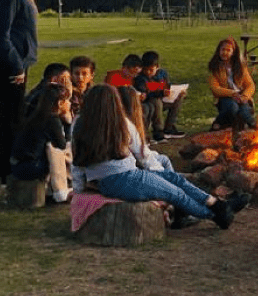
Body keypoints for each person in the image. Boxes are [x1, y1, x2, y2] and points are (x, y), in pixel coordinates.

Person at [71, 84, 248, 229]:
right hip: (127, 179)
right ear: (114, 103)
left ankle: (217, 204)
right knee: (176, 193)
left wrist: (78, 189)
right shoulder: (121, 122)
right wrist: (155, 174)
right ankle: (217, 215)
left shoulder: (79, 124)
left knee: (175, 179)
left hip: (113, 181)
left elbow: (76, 161)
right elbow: (142, 153)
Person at [0, 0, 39, 185]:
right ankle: (7, 172)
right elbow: (0, 36)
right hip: (10, 65)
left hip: (19, 63)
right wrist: (16, 65)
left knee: (16, 117)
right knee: (11, 119)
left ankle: (12, 169)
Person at [9, 82, 73, 203]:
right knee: (55, 152)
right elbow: (62, 145)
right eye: (66, 101)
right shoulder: (52, 120)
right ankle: (60, 191)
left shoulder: (36, 115)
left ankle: (54, 189)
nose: (69, 104)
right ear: (60, 103)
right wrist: (68, 123)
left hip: (16, 164)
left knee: (50, 148)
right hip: (31, 168)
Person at [117, 85, 175, 174]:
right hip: (134, 167)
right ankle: (172, 180)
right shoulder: (128, 125)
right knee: (164, 161)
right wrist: (163, 174)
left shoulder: (116, 121)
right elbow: (143, 157)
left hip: (132, 162)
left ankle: (173, 179)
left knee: (162, 159)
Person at [134, 50, 185, 142]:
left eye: (151, 70)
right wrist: (161, 93)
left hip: (163, 99)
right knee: (156, 102)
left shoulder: (162, 74)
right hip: (151, 102)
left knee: (178, 98)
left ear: (157, 67)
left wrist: (176, 91)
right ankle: (158, 131)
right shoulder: (141, 78)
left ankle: (169, 128)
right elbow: (145, 93)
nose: (148, 72)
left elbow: (167, 85)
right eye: (145, 69)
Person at [208, 37, 256, 131]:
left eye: (228, 50)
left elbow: (250, 85)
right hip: (225, 97)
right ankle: (220, 122)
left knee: (244, 111)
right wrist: (232, 94)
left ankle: (254, 127)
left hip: (241, 96)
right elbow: (215, 89)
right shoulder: (214, 67)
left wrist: (245, 96)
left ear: (233, 52)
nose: (225, 52)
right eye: (223, 49)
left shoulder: (240, 67)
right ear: (219, 50)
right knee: (233, 107)